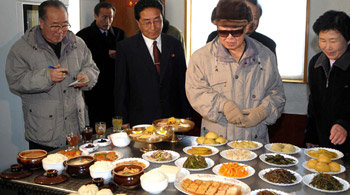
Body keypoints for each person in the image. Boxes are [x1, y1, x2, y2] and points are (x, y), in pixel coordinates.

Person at [186, 0, 285, 144]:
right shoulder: (201, 58)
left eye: (236, 32)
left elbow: (277, 93)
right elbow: (195, 91)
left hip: (254, 139)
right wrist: (223, 105)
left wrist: (263, 111)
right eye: (223, 32)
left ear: (247, 27)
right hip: (216, 140)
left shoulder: (265, 56)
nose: (230, 38)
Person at [5, 0, 99, 152]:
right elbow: (16, 81)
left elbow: (92, 68)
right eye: (55, 25)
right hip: (44, 132)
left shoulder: (77, 43)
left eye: (65, 25)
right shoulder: (22, 48)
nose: (60, 31)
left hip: (76, 128)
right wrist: (47, 77)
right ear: (41, 23)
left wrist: (86, 77)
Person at [114, 0, 191, 127]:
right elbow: (121, 87)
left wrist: (186, 113)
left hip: (171, 117)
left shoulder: (174, 44)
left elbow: (182, 80)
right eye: (147, 22)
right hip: (141, 118)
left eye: (157, 20)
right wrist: (123, 119)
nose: (153, 27)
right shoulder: (126, 48)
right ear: (138, 23)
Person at [305, 10, 350, 156]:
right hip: (323, 141)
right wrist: (311, 135)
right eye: (322, 40)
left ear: (348, 39)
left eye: (333, 41)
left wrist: (345, 125)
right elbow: (313, 102)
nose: (327, 47)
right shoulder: (316, 63)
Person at [77, 2, 125, 127]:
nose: (108, 21)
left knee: (117, 124)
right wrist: (105, 54)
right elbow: (81, 61)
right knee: (98, 125)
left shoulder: (120, 34)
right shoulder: (83, 35)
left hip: (115, 88)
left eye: (111, 17)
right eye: (104, 17)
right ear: (95, 16)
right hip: (95, 89)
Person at [206, 0, 276, 54]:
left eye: (255, 17)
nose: (251, 21)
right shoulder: (215, 38)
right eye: (246, 16)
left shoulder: (268, 44)